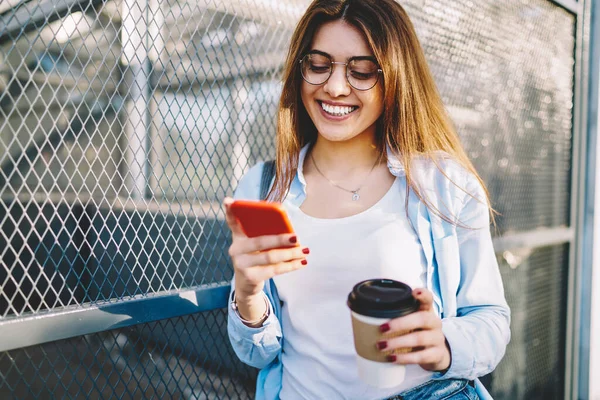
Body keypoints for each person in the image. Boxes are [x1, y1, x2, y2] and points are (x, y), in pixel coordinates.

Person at [223, 0, 510, 399]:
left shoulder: (442, 184)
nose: (336, 87)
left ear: (395, 78)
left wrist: (444, 343)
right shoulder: (262, 187)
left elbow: (491, 321)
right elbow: (256, 353)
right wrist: (248, 295)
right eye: (319, 65)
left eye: (362, 71)